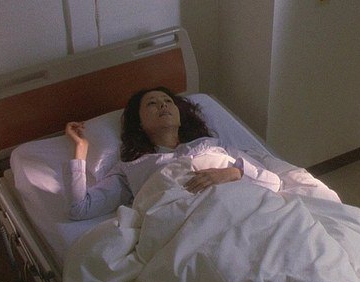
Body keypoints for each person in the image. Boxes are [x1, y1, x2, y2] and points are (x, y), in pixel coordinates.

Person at [64, 87, 282, 220]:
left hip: (244, 212)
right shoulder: (133, 168)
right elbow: (80, 209)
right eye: (152, 104)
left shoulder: (213, 146)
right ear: (139, 123)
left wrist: (234, 173)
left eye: (168, 101)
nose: (163, 106)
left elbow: (273, 183)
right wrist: (80, 148)